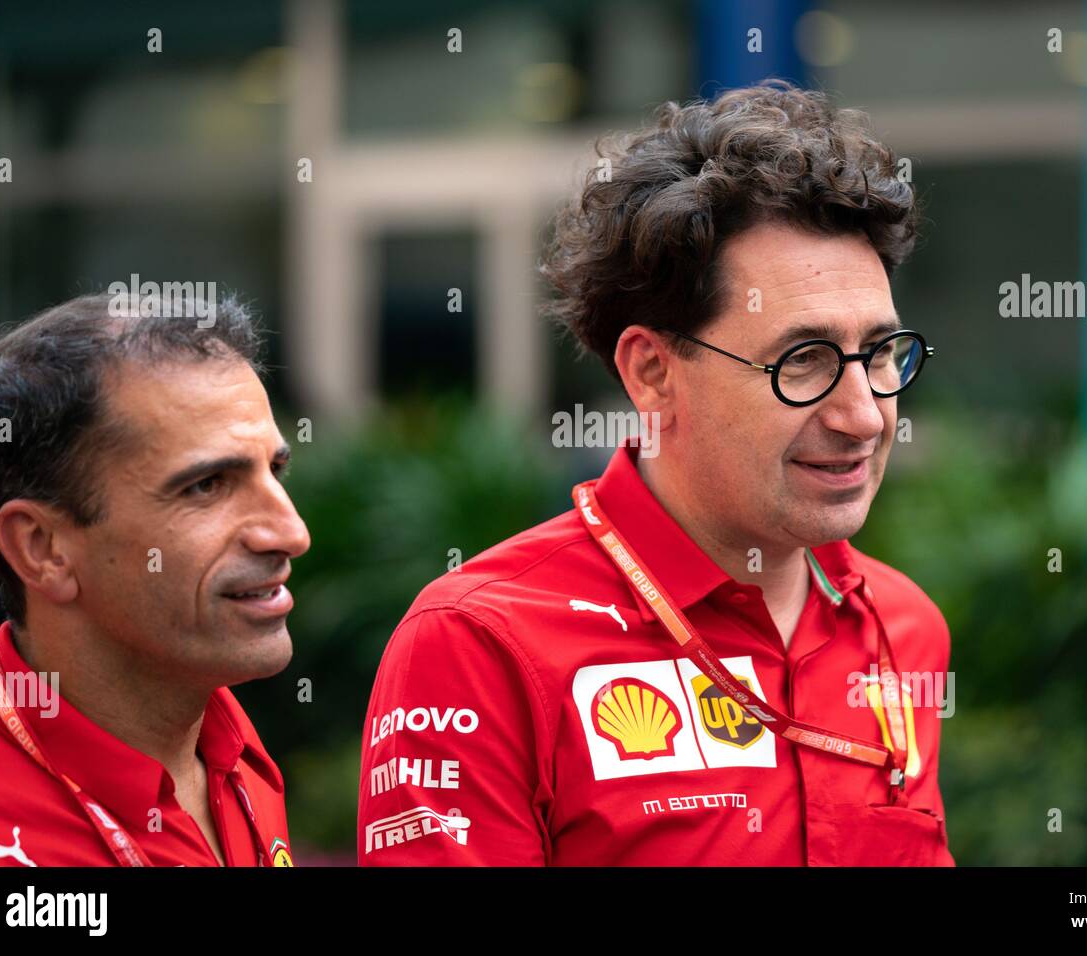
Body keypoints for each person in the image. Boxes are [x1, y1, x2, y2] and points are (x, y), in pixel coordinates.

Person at [358, 81, 954, 865]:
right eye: (802, 362)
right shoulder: (481, 647)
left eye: (880, 354)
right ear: (652, 371)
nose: (866, 415)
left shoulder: (901, 628)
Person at [0, 292, 309, 866]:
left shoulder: (225, 739)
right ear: (41, 547)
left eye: (274, 470)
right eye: (207, 486)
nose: (291, 533)